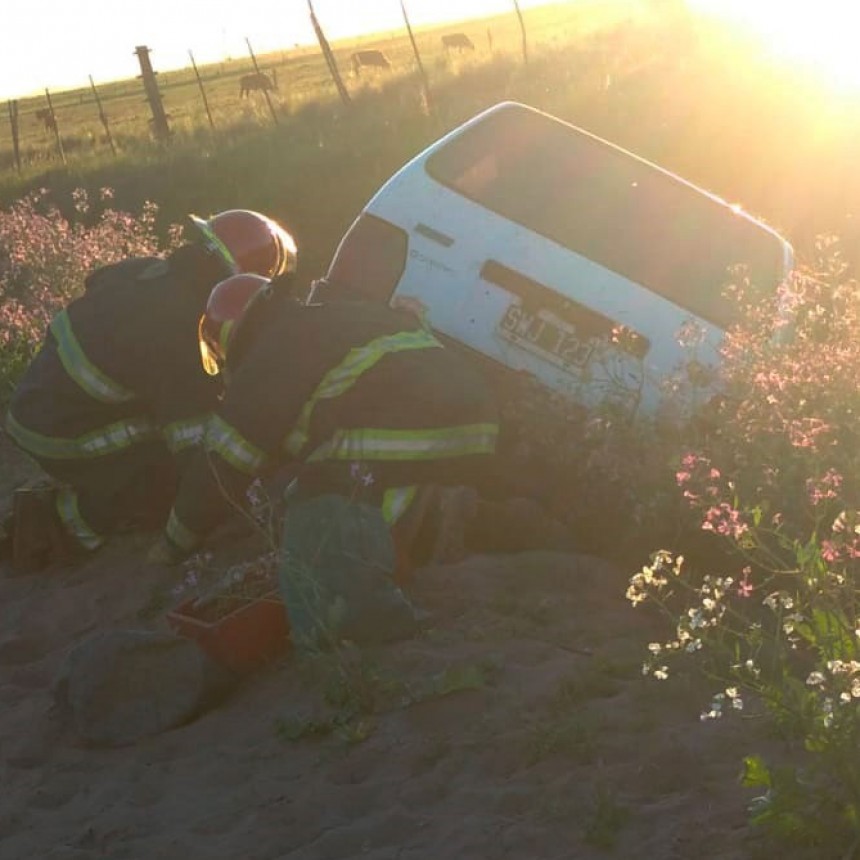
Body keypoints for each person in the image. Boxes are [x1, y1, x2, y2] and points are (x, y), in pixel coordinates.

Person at [149, 268, 499, 647]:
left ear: (233, 335)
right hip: (471, 422)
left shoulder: (271, 353)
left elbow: (222, 465)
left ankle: (361, 622)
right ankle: (452, 523)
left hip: (414, 421)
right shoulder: (329, 317)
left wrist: (173, 543)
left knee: (321, 494)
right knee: (365, 476)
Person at [4, 209, 297, 567]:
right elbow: (198, 457)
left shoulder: (148, 272)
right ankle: (54, 521)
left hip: (38, 403)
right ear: (236, 279)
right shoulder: (180, 333)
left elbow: (101, 289)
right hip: (59, 432)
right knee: (165, 488)